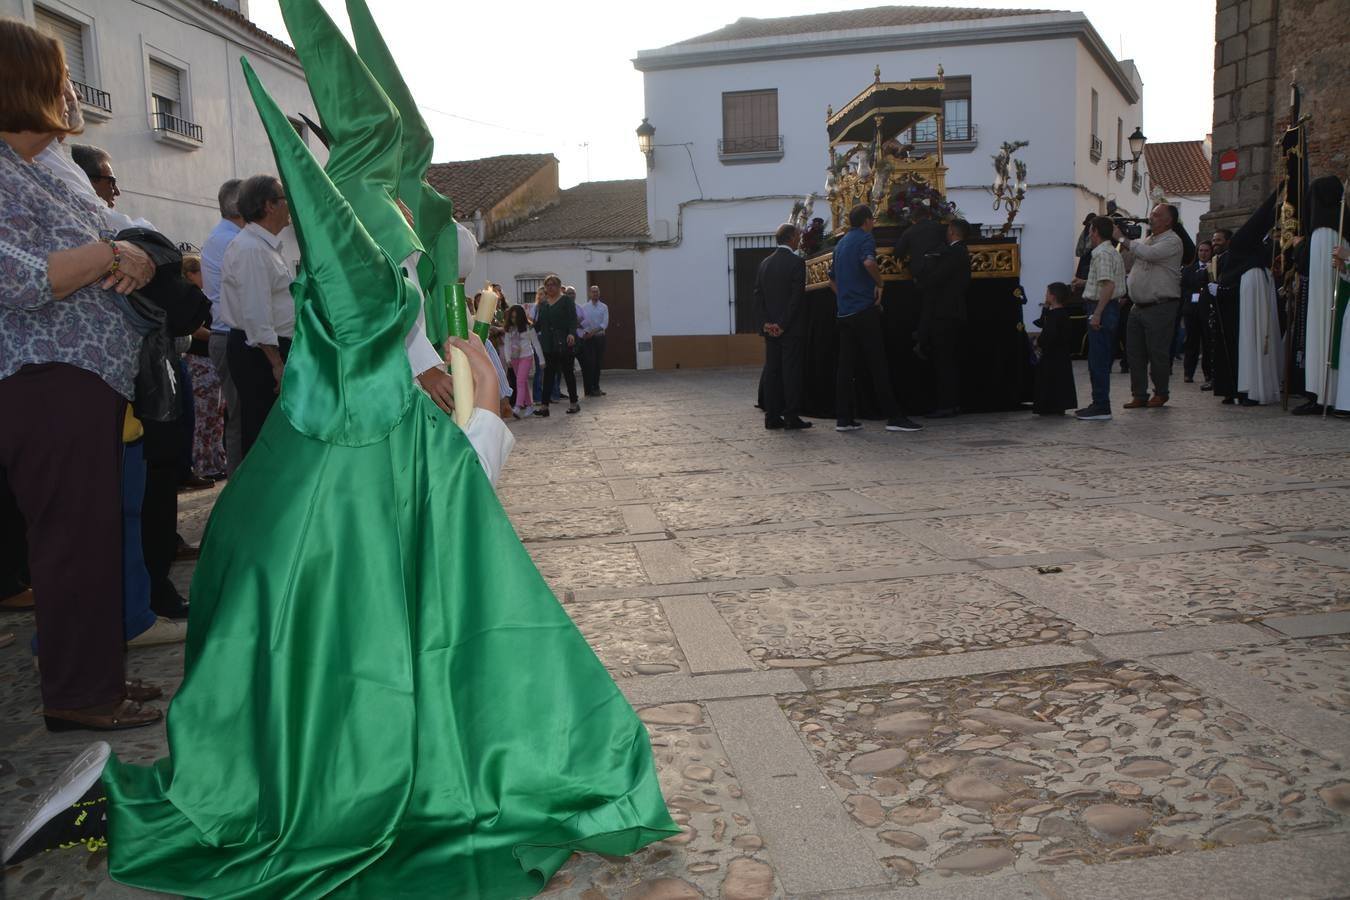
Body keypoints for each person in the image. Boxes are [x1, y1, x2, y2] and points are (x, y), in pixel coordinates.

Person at [3, 22, 678, 892]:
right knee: (371, 667)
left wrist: (438, 373)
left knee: (390, 650)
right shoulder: (356, 236)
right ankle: (137, 800)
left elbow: (391, 330)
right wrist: (439, 379)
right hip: (338, 468)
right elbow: (371, 328)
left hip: (325, 463)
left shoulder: (364, 228)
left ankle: (173, 791)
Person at [0, 17, 161, 730]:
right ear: (25, 84)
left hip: (85, 379)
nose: (72, 91)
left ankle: (99, 679)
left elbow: (117, 244)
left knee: (92, 537)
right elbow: (17, 279)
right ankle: (76, 694)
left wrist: (128, 254)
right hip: (43, 380)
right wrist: (109, 255)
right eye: (62, 76)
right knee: (69, 542)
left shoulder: (40, 169)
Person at [828, 204, 922, 432]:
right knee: (878, 364)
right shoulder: (865, 239)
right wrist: (880, 283)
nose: (874, 223)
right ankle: (895, 417)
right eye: (873, 219)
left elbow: (831, 279)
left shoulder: (840, 244)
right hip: (863, 311)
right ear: (867, 221)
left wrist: (845, 297)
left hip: (845, 312)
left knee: (845, 367)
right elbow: (869, 262)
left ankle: (844, 419)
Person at [221, 174, 294, 456]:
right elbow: (256, 312)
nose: (290, 206)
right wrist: (275, 362)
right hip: (260, 352)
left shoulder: (264, 247)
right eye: (284, 199)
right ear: (269, 205)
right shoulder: (251, 249)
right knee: (262, 430)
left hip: (267, 348)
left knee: (271, 428)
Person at [1118, 204, 1185, 409]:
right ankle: (1139, 394)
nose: (1151, 217)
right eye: (1152, 214)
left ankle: (1161, 392)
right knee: (1134, 353)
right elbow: (1133, 258)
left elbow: (1150, 254)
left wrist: (1122, 238)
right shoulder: (1148, 240)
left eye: (1156, 215)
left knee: (1157, 352)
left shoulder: (1172, 241)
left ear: (1168, 221)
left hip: (1160, 305)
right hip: (1138, 305)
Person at [201, 179, 245, 474]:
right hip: (232, 335)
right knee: (242, 420)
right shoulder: (233, 241)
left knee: (240, 417)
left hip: (228, 334)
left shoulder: (225, 237)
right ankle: (242, 490)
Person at [756, 222, 811, 430]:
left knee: (772, 371)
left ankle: (771, 416)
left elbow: (758, 297)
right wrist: (783, 325)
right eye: (798, 236)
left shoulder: (764, 264)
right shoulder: (797, 263)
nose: (799, 239)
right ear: (790, 238)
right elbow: (796, 299)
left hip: (770, 330)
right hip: (790, 329)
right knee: (791, 372)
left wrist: (767, 324)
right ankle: (791, 416)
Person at [1072, 216, 1126, 420]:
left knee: (1098, 360)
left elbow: (1108, 285)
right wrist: (1084, 282)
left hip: (1101, 308)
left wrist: (1097, 313)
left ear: (1094, 232)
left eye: (1090, 230)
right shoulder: (1111, 251)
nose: (1089, 234)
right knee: (1099, 358)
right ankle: (1099, 403)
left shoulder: (1101, 253)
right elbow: (1104, 281)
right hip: (1107, 307)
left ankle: (1101, 405)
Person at [180, 255, 226, 477]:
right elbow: (195, 328)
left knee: (215, 416)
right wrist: (218, 335)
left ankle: (215, 462)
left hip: (208, 361)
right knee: (204, 417)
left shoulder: (200, 295)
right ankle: (203, 465)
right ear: (190, 274)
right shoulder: (191, 297)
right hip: (199, 362)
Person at [920, 217, 972, 417]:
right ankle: (952, 402)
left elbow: (936, 278)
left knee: (944, 361)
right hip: (953, 311)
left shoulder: (954, 252)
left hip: (945, 313)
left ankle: (946, 405)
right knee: (949, 359)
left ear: (952, 231)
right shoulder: (960, 251)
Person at [534, 273, 580, 416]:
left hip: (564, 342)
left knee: (568, 373)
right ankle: (544, 407)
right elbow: (539, 324)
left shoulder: (566, 301)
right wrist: (527, 327)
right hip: (548, 344)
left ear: (559, 286)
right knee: (548, 375)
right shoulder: (543, 304)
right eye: (547, 285)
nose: (550, 287)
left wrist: (572, 333)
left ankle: (574, 403)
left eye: (553, 284)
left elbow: (573, 319)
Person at [1032, 282, 1079, 415]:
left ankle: (1050, 406)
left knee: (1051, 380)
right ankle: (1057, 405)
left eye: (1047, 293)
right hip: (1059, 355)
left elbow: (1049, 334)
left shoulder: (1056, 316)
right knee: (1058, 380)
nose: (1045, 296)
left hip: (1053, 355)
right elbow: (1042, 322)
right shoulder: (1060, 314)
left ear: (1052, 296)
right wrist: (1046, 308)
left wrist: (1038, 342)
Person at [1180, 240, 1213, 386]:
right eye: (1201, 250)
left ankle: (1208, 373)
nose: (1203, 253)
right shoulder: (1188, 270)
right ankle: (1188, 373)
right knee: (1191, 342)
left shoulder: (1214, 268)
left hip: (1207, 310)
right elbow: (1184, 289)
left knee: (1207, 342)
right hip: (1191, 310)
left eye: (1206, 251)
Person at [502, 303, 544, 417]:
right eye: (512, 317)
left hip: (526, 357)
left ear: (521, 316)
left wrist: (541, 360)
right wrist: (508, 358)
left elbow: (536, 344)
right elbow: (507, 344)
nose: (514, 319)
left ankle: (518, 405)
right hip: (514, 359)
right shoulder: (509, 329)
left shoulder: (528, 328)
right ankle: (529, 406)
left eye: (516, 317)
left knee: (519, 381)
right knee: (523, 382)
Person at [578, 284, 609, 396]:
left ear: (599, 293)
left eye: (597, 291)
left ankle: (596, 387)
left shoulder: (604, 307)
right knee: (590, 364)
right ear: (589, 293)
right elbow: (580, 322)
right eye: (593, 291)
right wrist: (586, 332)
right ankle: (589, 389)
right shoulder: (584, 307)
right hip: (588, 340)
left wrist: (593, 332)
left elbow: (604, 324)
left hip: (599, 338)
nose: (595, 293)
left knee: (597, 364)